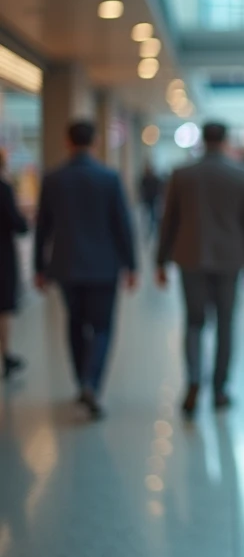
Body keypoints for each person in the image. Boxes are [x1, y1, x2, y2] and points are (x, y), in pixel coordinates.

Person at [156, 122, 244, 417]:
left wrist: (160, 260)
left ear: (203, 140)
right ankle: (220, 389)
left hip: (190, 257)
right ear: (226, 140)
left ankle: (192, 381)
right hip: (230, 260)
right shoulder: (241, 175)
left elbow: (169, 220)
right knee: (226, 324)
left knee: (193, 322)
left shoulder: (182, 174)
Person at [34, 120, 137, 419]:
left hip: (66, 266)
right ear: (95, 143)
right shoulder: (109, 178)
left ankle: (81, 380)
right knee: (102, 326)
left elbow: (43, 228)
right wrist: (131, 265)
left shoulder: (53, 179)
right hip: (104, 267)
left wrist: (39, 268)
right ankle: (92, 382)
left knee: (75, 323)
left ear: (68, 141)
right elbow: (122, 225)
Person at [0, 150, 29, 379]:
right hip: (2, 256)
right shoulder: (4, 189)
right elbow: (17, 223)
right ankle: (5, 354)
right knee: (3, 308)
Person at [139, 163, 163, 237]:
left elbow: (158, 188)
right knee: (148, 213)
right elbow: (141, 188)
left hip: (151, 198)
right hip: (149, 198)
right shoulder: (146, 178)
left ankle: (151, 227)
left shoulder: (153, 178)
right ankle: (150, 226)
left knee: (151, 213)